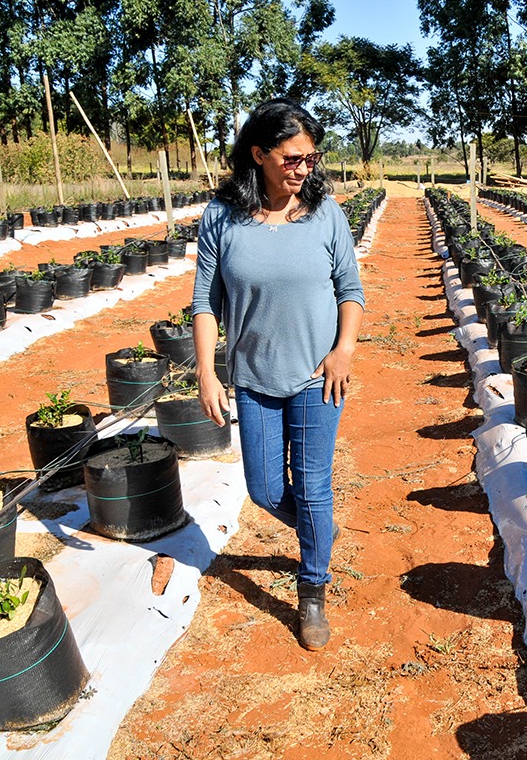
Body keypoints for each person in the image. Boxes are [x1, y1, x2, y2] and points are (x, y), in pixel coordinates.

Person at [191, 97, 364, 651]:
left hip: (318, 376)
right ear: (259, 154)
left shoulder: (326, 214)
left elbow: (350, 291)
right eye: (291, 157)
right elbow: (204, 302)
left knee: (312, 488)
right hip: (253, 376)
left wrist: (344, 351)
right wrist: (206, 372)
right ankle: (319, 531)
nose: (302, 168)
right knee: (265, 489)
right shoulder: (221, 217)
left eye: (310, 158)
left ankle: (312, 589)